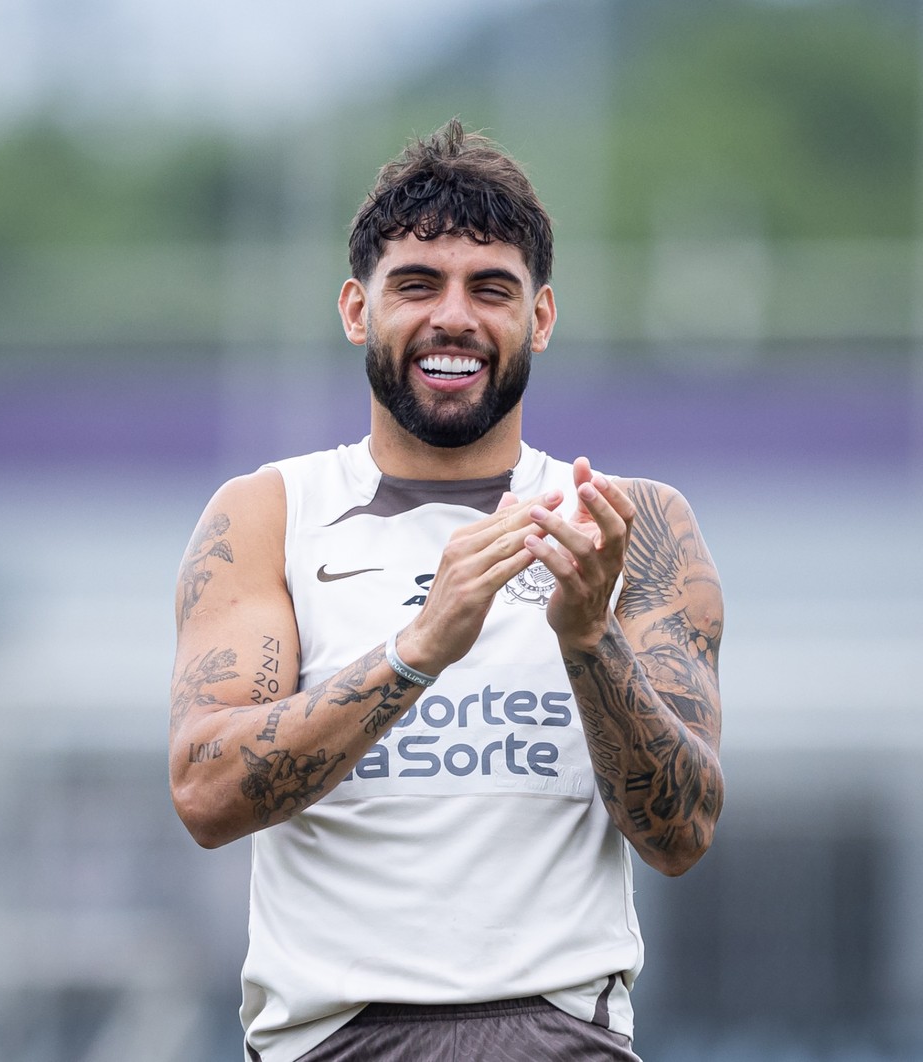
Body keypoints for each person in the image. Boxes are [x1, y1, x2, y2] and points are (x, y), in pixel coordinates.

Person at [169, 119, 724, 1062]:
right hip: (330, 1039)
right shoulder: (268, 512)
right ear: (357, 308)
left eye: (492, 289)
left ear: (540, 319)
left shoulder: (632, 521)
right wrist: (416, 650)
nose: (454, 319)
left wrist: (591, 640)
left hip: (559, 1034)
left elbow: (681, 832)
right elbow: (206, 793)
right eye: (417, 285)